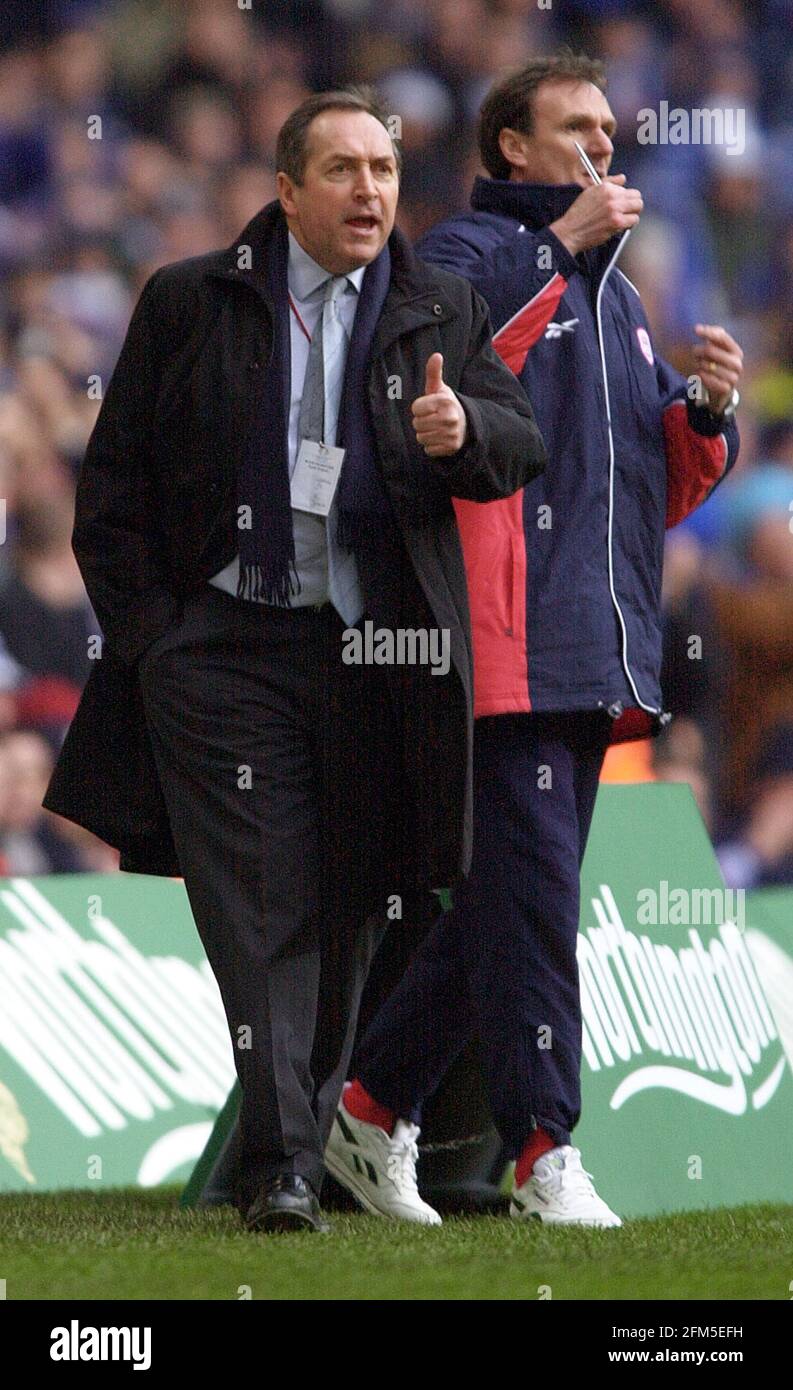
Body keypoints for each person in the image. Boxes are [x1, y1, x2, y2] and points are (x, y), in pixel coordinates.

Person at [42, 88, 546, 1233]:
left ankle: (303, 1140)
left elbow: (522, 444)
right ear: (284, 190)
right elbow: (109, 489)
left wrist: (465, 432)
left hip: (379, 649)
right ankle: (279, 1163)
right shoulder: (191, 299)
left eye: (382, 167)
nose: (370, 189)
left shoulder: (438, 306)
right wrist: (157, 641)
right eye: (342, 169)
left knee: (354, 902)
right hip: (223, 651)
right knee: (261, 899)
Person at [327, 53, 744, 1227]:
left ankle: (365, 1110)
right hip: (501, 642)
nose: (603, 147)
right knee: (535, 907)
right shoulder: (466, 252)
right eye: (576, 128)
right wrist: (559, 244)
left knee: (510, 910)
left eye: (611, 130)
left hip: (598, 645)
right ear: (512, 145)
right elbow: (445, 372)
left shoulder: (616, 293)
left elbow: (653, 490)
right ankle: (543, 1150)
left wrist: (702, 413)